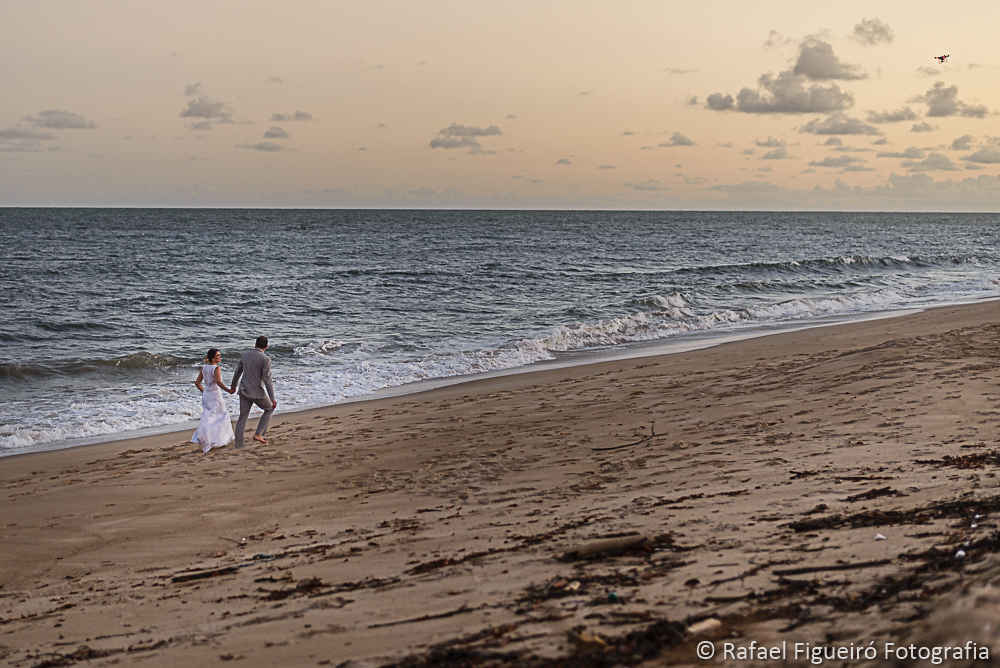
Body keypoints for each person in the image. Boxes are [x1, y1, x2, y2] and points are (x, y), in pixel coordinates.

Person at [231, 335, 278, 449]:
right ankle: (259, 434)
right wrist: (272, 398)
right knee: (269, 409)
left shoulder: (245, 355)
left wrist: (233, 385)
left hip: (244, 389)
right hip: (256, 392)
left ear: (255, 344)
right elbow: (267, 379)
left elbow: (238, 371)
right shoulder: (265, 359)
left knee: (242, 417)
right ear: (266, 346)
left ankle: (239, 444)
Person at [191, 348, 236, 452]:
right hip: (215, 394)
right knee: (221, 415)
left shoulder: (204, 368)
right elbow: (218, 382)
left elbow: (197, 383)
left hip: (207, 394)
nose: (220, 357)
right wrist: (229, 390)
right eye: (218, 355)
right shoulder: (216, 368)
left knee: (209, 416)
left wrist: (205, 392)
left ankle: (210, 438)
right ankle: (219, 439)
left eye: (219, 355)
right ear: (212, 358)